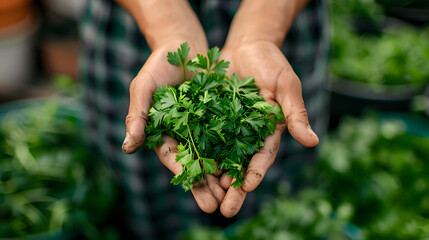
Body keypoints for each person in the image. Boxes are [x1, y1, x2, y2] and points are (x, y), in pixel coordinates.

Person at [80, 0, 329, 239]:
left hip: (281, 26)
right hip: (136, 30)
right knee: (144, 211)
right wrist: (171, 28)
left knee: (271, 207)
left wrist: (259, 34)